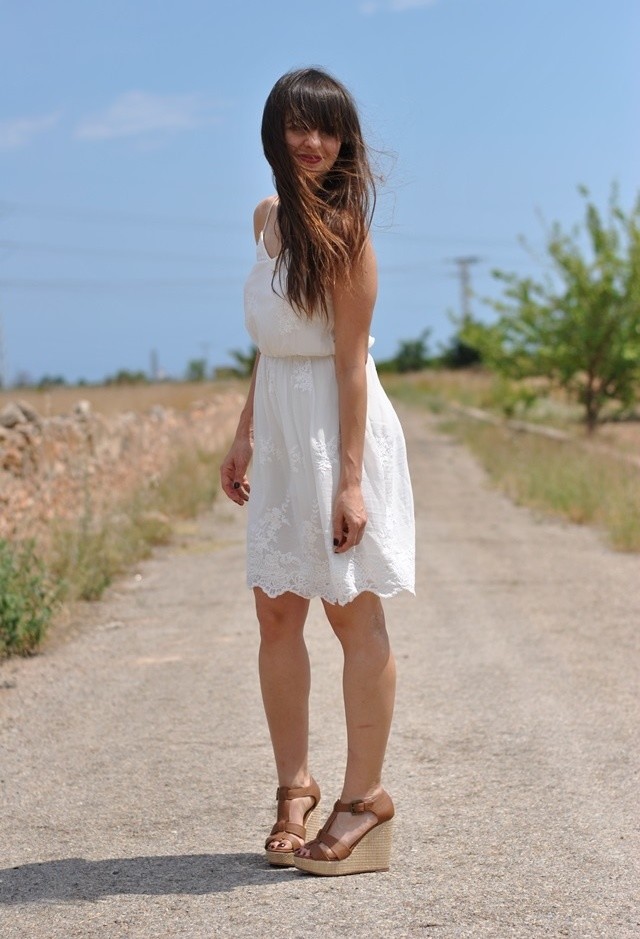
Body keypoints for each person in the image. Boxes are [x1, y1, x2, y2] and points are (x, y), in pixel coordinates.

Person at [220, 67, 415, 877]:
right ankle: (293, 785)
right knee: (275, 618)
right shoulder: (267, 219)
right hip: (281, 424)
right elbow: (275, 347)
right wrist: (243, 434)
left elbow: (345, 366)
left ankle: (365, 798)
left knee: (352, 618)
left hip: (339, 435)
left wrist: (349, 480)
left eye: (327, 129)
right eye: (298, 126)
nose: (312, 142)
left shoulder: (349, 233)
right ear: (274, 134)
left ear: (344, 141)